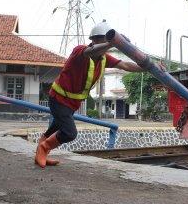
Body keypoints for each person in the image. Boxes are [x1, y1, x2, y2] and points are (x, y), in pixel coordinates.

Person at [35, 21, 144, 168]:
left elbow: (125, 65)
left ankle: (40, 155)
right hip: (59, 98)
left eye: (108, 40)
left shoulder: (104, 58)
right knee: (69, 133)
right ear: (95, 40)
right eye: (105, 40)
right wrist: (113, 42)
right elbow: (90, 51)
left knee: (53, 129)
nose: (106, 44)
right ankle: (44, 148)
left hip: (72, 103)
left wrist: (148, 67)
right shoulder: (80, 51)